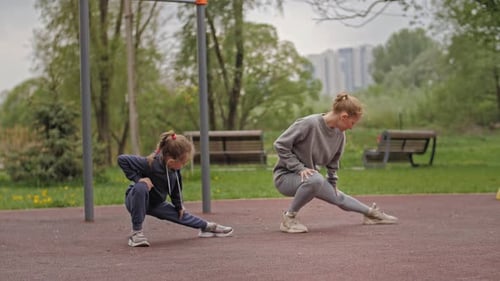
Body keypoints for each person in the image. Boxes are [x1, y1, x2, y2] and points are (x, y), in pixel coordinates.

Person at [273, 92, 398, 233]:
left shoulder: (340, 135)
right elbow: (280, 144)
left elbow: (333, 163)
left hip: (311, 178)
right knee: (316, 179)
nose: (351, 127)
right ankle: (289, 218)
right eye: (352, 123)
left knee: (338, 197)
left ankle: (371, 214)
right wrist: (299, 168)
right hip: (285, 177)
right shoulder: (309, 123)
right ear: (344, 117)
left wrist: (332, 185)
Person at [118, 131, 233, 247]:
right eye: (183, 163)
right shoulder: (150, 163)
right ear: (171, 161)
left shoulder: (174, 170)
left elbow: (176, 190)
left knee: (180, 214)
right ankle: (136, 234)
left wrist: (179, 206)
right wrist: (138, 179)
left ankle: (206, 227)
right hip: (135, 199)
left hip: (155, 204)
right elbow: (122, 159)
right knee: (141, 187)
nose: (184, 165)